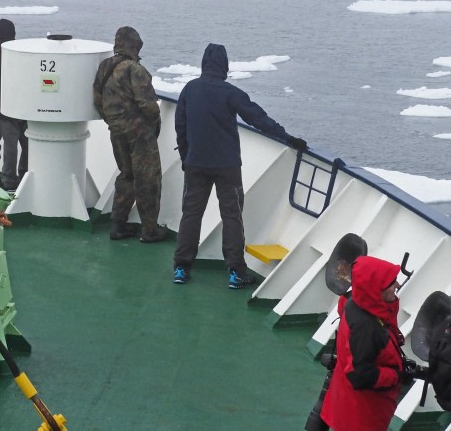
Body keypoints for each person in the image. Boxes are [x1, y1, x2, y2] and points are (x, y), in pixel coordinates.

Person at [172, 43, 306, 288]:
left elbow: (180, 126)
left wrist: (185, 157)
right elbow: (259, 119)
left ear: (203, 64)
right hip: (227, 167)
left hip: (196, 165)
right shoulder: (231, 93)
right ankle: (236, 272)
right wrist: (289, 139)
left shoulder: (190, 90)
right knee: (232, 216)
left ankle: (181, 267)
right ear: (225, 65)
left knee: (191, 215)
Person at [93, 26, 169, 243]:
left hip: (116, 130)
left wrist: (113, 121)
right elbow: (148, 105)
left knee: (126, 175)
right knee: (148, 179)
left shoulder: (105, 67)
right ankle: (150, 230)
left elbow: (98, 100)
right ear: (135, 46)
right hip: (139, 133)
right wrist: (153, 124)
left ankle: (117, 224)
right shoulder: (135, 70)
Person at [319, 255, 406, 431]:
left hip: (346, 402)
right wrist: (396, 376)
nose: (397, 285)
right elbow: (360, 375)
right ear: (376, 288)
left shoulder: (354, 302)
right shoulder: (367, 329)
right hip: (362, 415)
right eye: (392, 282)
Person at [0, 18, 28, 191]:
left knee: (10, 145)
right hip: (24, 106)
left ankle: (9, 180)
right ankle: (25, 174)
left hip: (5, 107)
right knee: (26, 142)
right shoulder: (23, 53)